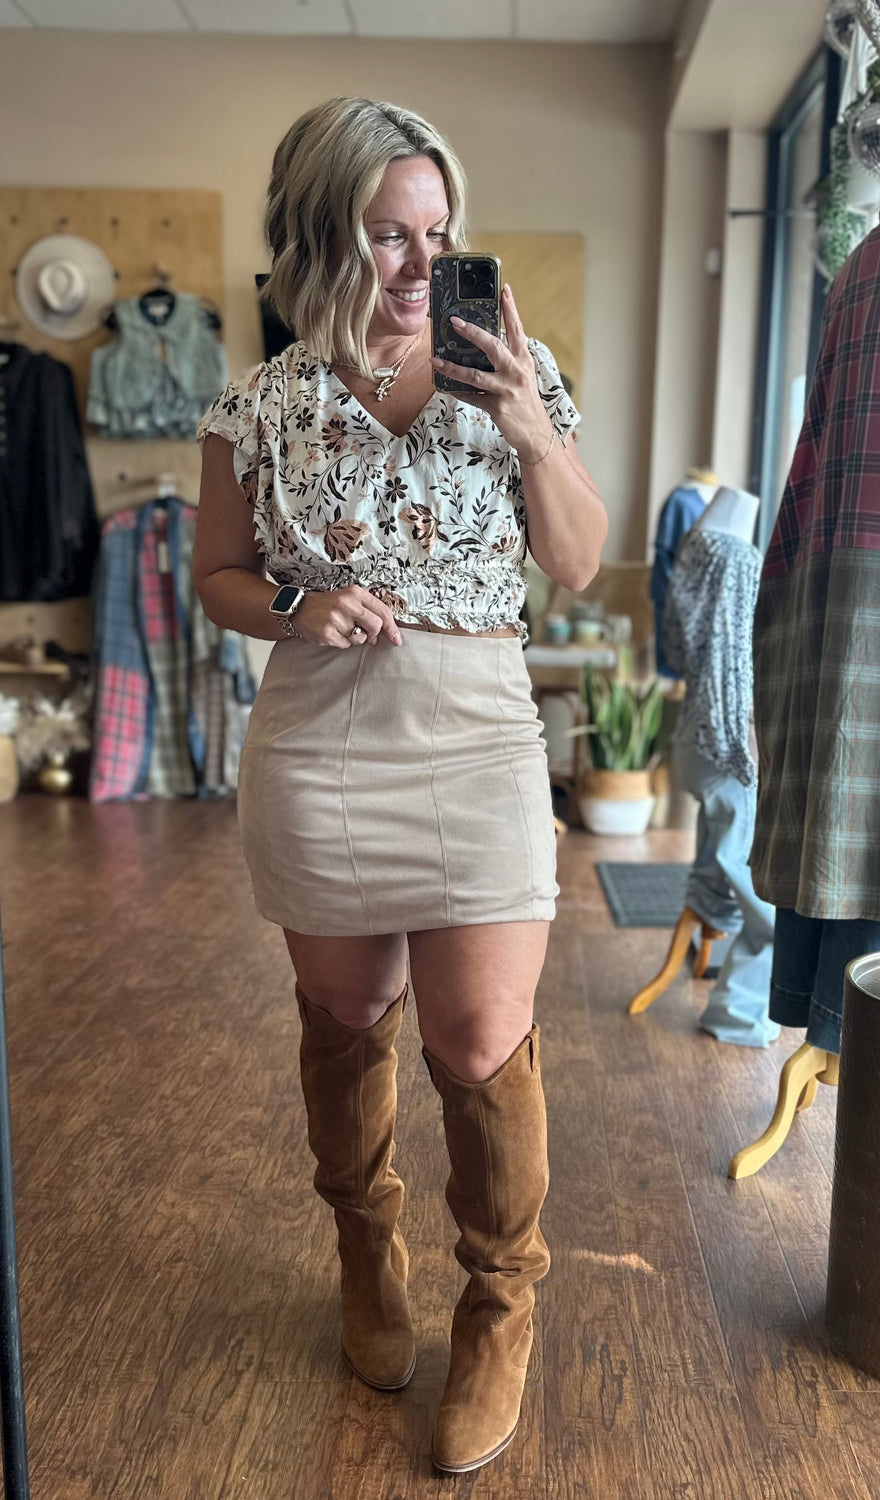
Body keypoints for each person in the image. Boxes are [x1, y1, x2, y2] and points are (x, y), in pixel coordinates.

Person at [193, 96, 606, 1476]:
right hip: (322, 746)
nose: (426, 261)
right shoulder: (260, 405)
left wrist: (532, 425)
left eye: (439, 230)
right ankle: (367, 1254)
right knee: (343, 1017)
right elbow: (217, 575)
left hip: (479, 738)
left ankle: (500, 1305)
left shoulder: (514, 372)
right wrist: (295, 608)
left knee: (481, 1037)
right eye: (389, 234)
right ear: (323, 235)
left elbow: (578, 560)